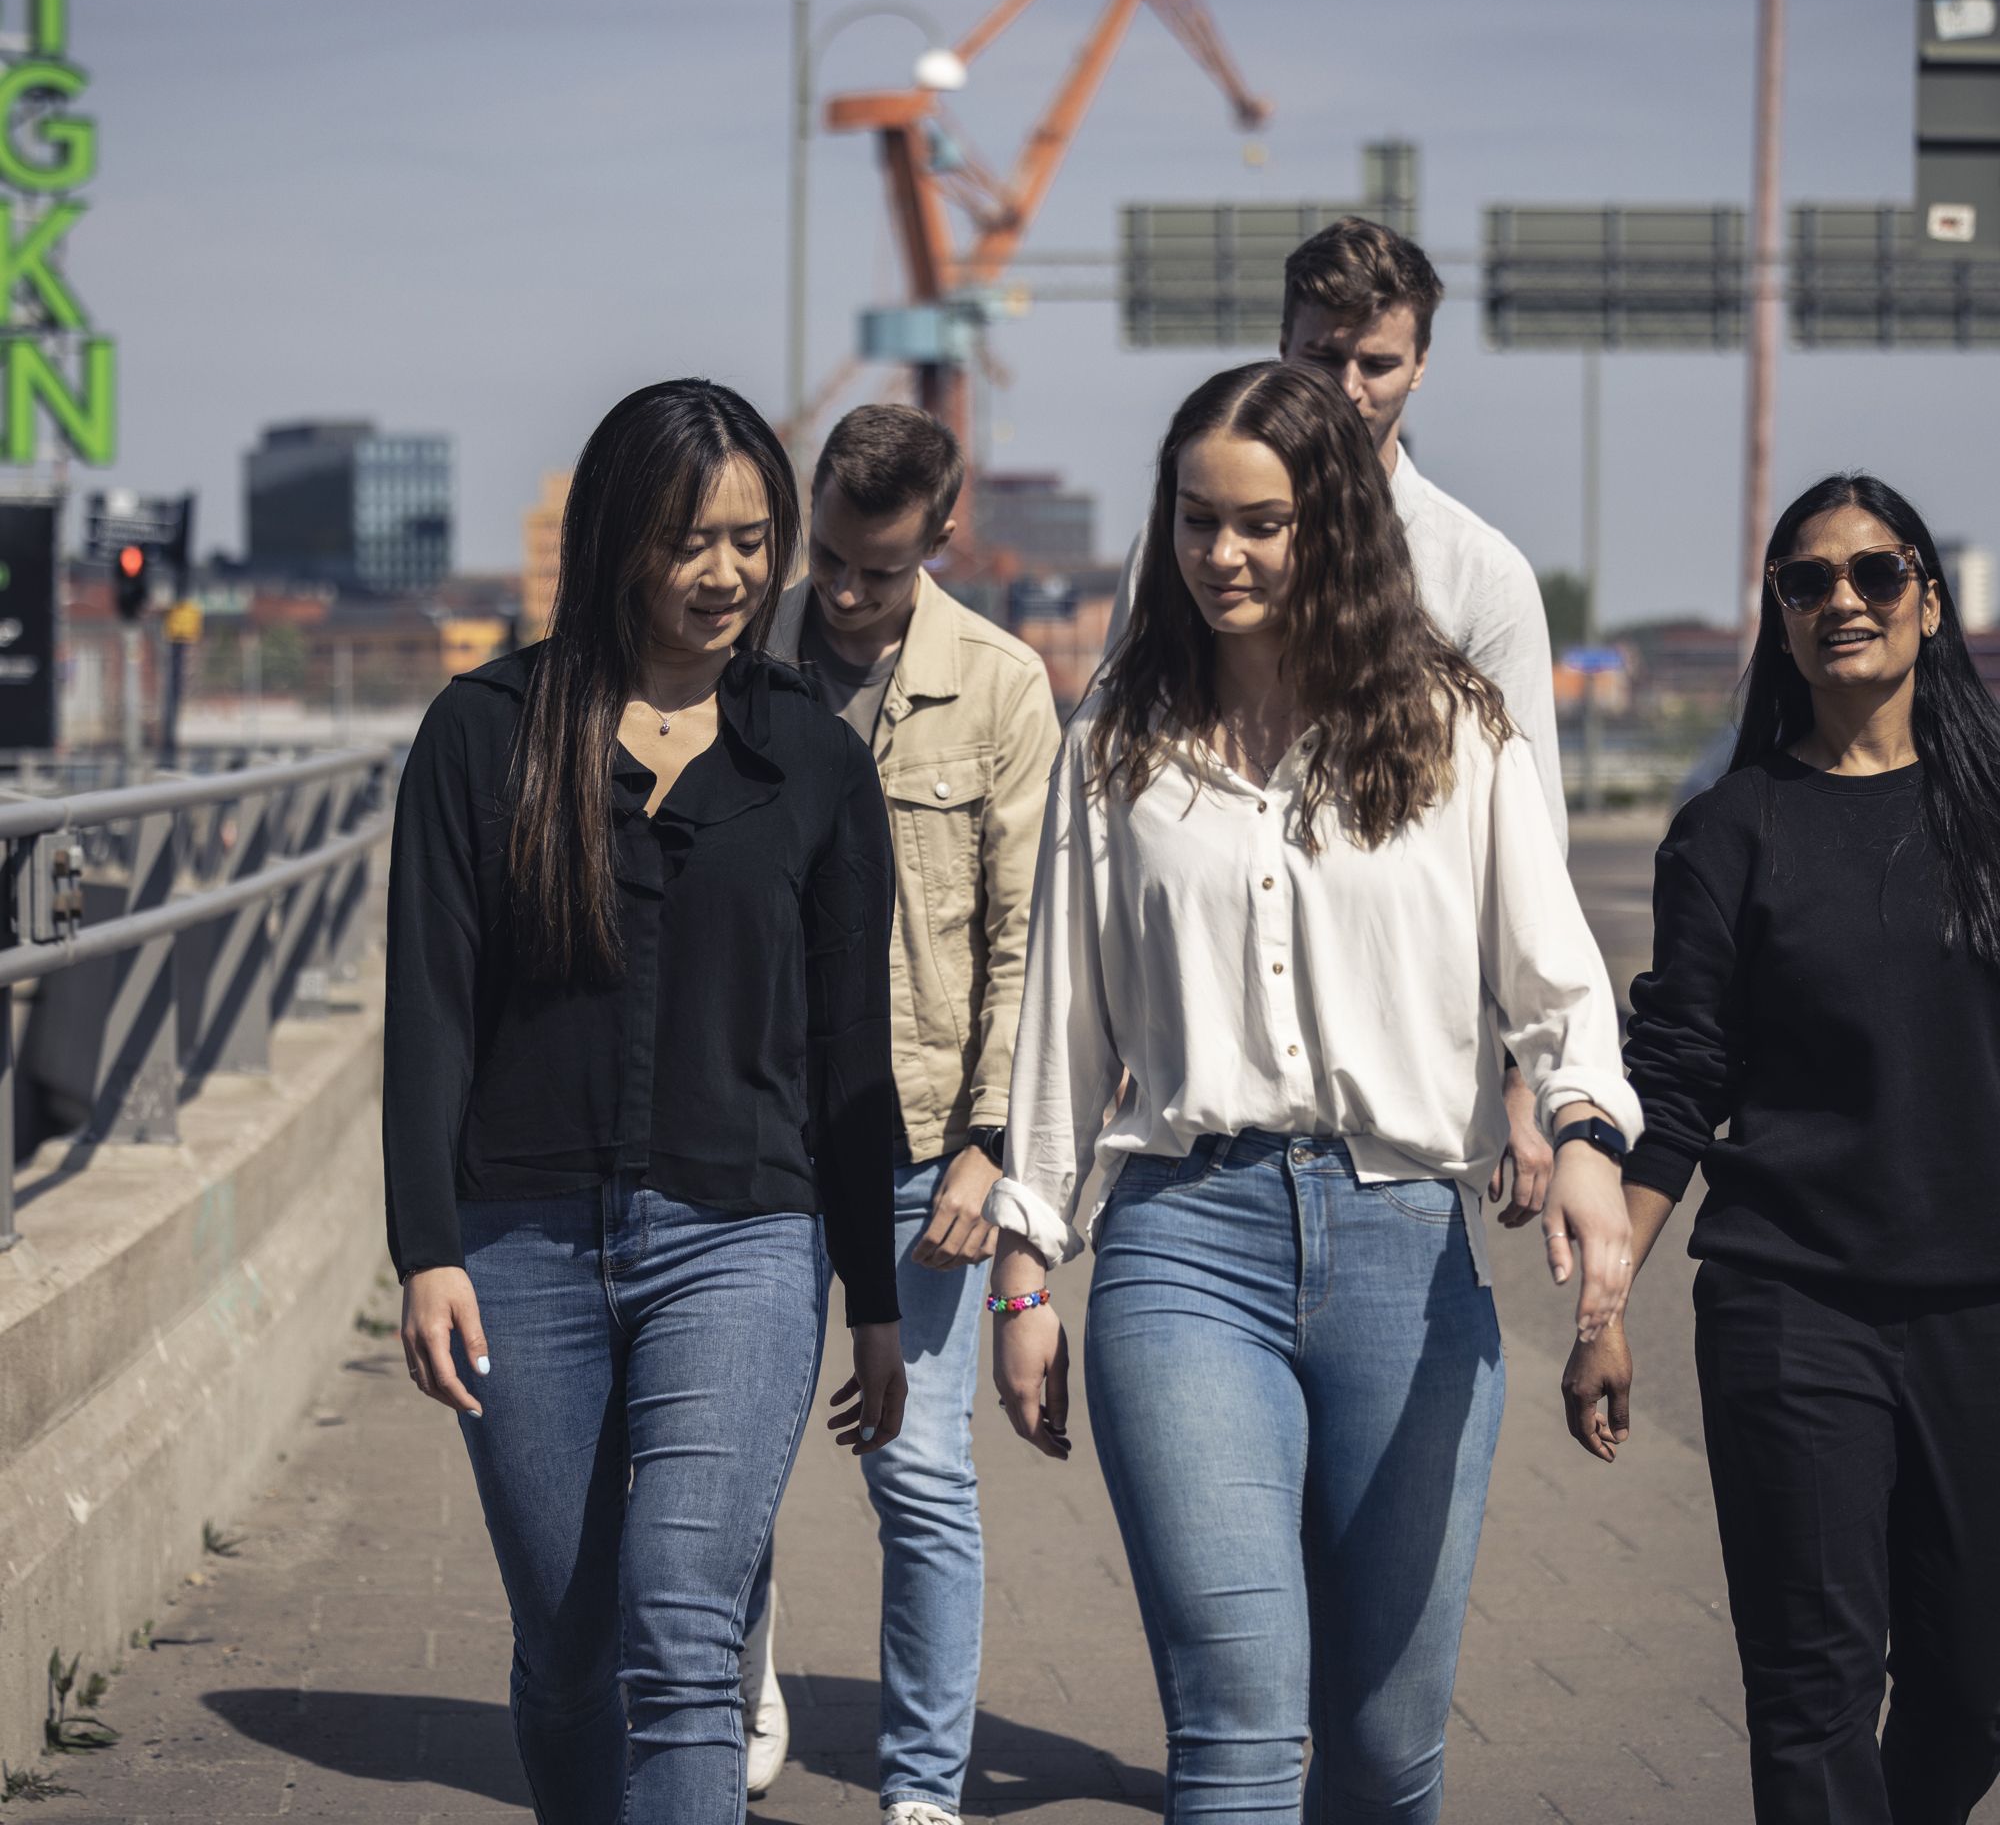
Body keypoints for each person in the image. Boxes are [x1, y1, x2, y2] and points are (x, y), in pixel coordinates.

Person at [987, 360, 1641, 1822]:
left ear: (1330, 524)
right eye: (1198, 521)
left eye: (1264, 523)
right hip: (1179, 1249)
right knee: (1234, 1721)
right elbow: (1065, 1033)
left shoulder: (1450, 729)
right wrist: (1027, 1270)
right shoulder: (1117, 745)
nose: (1225, 555)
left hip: (1403, 1261)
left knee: (1385, 1750)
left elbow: (1557, 987)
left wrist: (1585, 1134)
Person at [384, 378, 907, 1825]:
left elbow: (850, 1047)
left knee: (684, 1641)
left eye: (754, 539)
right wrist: (426, 1245)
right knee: (570, 1650)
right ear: (617, 538)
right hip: (519, 1246)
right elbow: (428, 1013)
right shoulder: (482, 739)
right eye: (692, 541)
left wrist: (873, 1290)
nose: (730, 574)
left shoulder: (810, 757)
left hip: (740, 1238)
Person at [1563, 474, 2000, 1824]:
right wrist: (1604, 1296)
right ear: (1779, 618)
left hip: (1983, 1308)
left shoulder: (1988, 819)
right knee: (1811, 1694)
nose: (1841, 602)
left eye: (1875, 574)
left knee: (1975, 1691)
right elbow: (1682, 1074)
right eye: (1805, 583)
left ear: (1930, 598)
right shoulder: (1729, 832)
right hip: (1791, 1302)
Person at [1110, 217, 1566, 1231]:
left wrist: (1526, 1085)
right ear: (1282, 347)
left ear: (1420, 367)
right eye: (1323, 356)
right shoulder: (1182, 552)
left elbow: (1528, 849)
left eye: (1377, 362)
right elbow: (1116, 777)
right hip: (1212, 1076)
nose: (1348, 387)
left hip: (1401, 1088)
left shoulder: (1477, 574)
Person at [744, 405, 1062, 1821]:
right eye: (829, 560)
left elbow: (1024, 941)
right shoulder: (746, 663)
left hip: (923, 1135)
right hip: (745, 1122)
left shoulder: (1000, 687)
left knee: (919, 1476)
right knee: (724, 1454)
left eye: (878, 568)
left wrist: (990, 1148)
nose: (848, 594)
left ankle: (923, 1786)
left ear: (944, 534)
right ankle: (730, 1701)